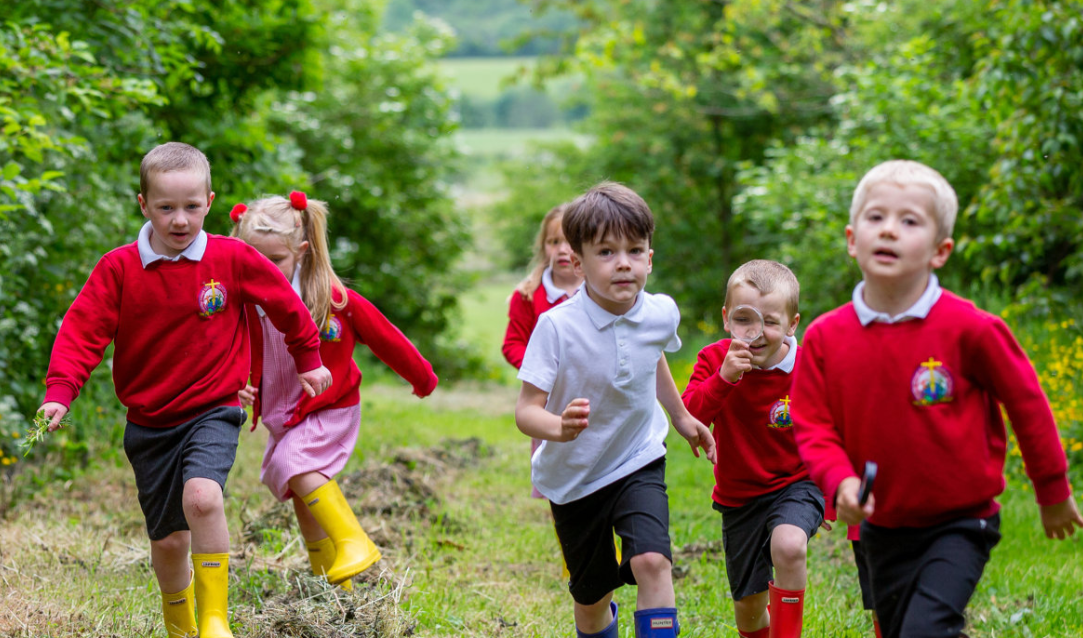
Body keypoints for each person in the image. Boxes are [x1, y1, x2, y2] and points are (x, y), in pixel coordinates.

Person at [37, 142, 332, 638]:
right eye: (166, 207)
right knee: (170, 541)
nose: (180, 220)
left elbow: (286, 305)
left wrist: (308, 357)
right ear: (143, 205)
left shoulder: (232, 258)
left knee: (202, 499)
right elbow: (81, 332)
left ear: (210, 202)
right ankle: (180, 624)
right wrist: (60, 392)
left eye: (192, 207)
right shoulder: (119, 269)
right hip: (149, 423)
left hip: (213, 408)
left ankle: (215, 618)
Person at [790, 159, 1083, 638]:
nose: (889, 231)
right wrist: (839, 481)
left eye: (909, 221)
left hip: (961, 521)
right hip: (880, 527)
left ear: (940, 250)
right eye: (876, 217)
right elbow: (813, 424)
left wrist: (1052, 489)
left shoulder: (972, 330)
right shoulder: (826, 338)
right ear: (851, 238)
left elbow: (1027, 403)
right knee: (907, 628)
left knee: (925, 630)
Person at [514, 181, 716, 638]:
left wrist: (681, 417)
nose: (623, 263)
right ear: (578, 262)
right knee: (591, 601)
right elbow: (526, 410)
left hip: (638, 457)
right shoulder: (556, 327)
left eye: (635, 249)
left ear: (650, 258)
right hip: (575, 478)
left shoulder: (661, 312)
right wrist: (559, 428)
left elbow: (652, 356)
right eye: (606, 252)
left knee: (652, 561)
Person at [231, 191, 438, 590]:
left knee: (296, 464)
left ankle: (354, 541)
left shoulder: (332, 300)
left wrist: (421, 377)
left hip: (329, 405)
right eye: (253, 260)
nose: (264, 271)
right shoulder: (243, 303)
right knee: (303, 498)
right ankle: (331, 584)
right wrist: (239, 386)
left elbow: (385, 336)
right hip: (284, 414)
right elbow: (230, 353)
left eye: (275, 260)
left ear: (302, 251)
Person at [681, 259, 824, 638]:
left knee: (790, 544)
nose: (757, 333)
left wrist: (836, 487)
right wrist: (724, 379)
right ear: (727, 318)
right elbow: (690, 416)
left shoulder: (808, 366)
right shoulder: (714, 360)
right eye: (746, 319)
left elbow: (830, 430)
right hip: (739, 495)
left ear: (793, 324)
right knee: (749, 611)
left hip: (798, 482)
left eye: (771, 322)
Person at [502, 203, 582, 501]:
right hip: (547, 403)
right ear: (543, 247)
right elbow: (512, 343)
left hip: (594, 394)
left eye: (570, 241)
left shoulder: (600, 292)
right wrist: (542, 373)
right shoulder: (527, 294)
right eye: (554, 242)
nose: (562, 250)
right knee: (558, 479)